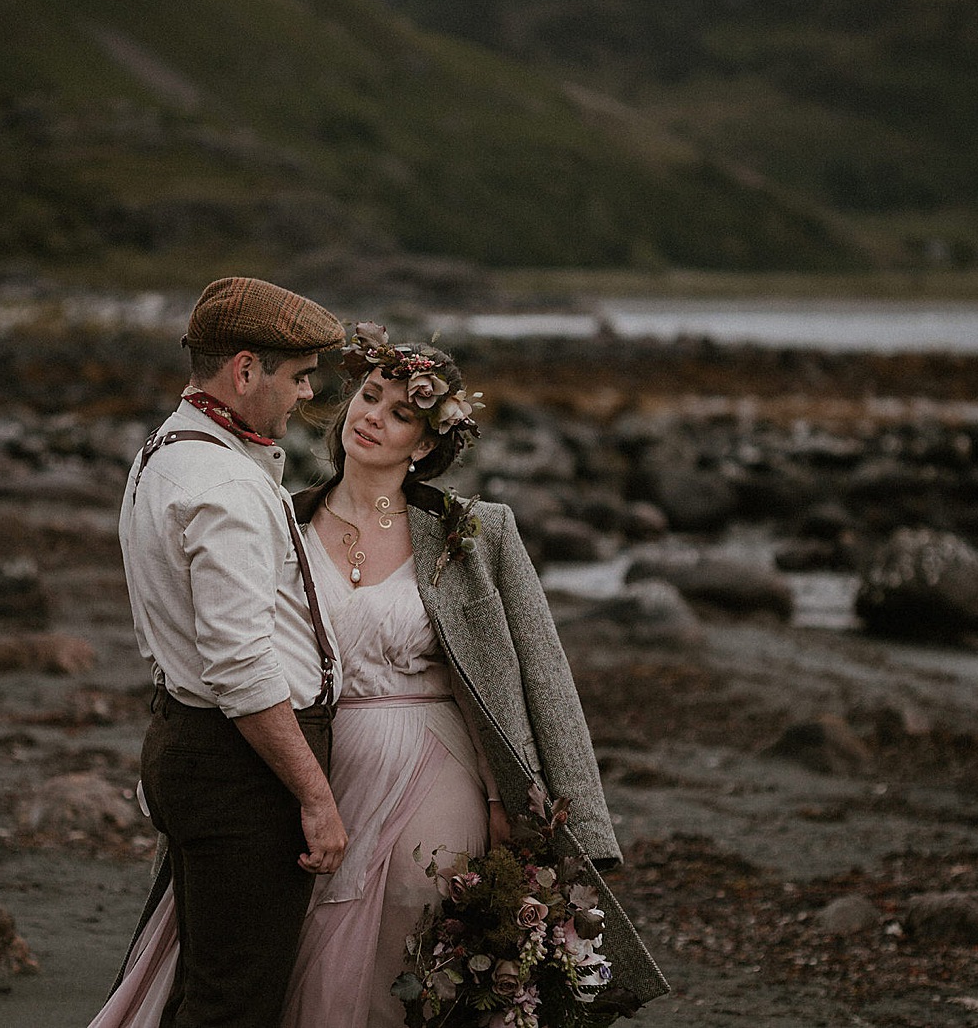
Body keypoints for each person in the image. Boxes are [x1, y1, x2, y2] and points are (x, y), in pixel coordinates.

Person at [279, 322, 669, 1025]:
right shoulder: (283, 523)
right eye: (369, 396)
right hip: (319, 759)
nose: (373, 417)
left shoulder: (474, 531)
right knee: (308, 931)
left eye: (401, 413)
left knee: (417, 927)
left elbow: (538, 673)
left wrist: (512, 798)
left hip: (437, 757)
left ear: (424, 445)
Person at [98, 277, 349, 1028]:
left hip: (195, 741)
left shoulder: (165, 451)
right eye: (298, 375)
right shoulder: (225, 487)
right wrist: (314, 795)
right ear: (245, 370)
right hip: (241, 764)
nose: (307, 393)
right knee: (236, 1001)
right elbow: (240, 669)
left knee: (205, 983)